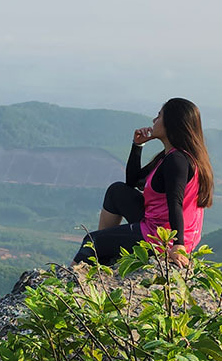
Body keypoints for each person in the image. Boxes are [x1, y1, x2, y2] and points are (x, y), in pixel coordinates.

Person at [74, 97, 214, 267]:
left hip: (162, 237)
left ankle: (81, 269)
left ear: (171, 123)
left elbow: (175, 202)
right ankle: (105, 250)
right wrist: (137, 145)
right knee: (117, 191)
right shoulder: (170, 156)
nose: (154, 121)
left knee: (91, 242)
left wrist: (178, 245)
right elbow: (133, 181)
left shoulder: (176, 160)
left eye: (159, 116)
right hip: (158, 224)